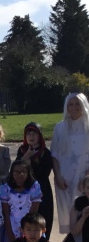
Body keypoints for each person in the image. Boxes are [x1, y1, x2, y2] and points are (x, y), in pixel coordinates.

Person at [51, 93, 89, 233]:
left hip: (84, 178)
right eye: (70, 104)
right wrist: (58, 176)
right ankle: (71, 241)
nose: (74, 107)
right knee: (68, 214)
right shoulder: (60, 128)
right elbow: (54, 154)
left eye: (77, 104)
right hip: (65, 178)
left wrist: (86, 179)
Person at [16, 123, 54, 239]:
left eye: (34, 133)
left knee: (42, 217)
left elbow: (44, 173)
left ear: (40, 136)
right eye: (28, 134)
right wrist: (25, 157)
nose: (31, 136)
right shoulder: (22, 150)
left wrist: (31, 163)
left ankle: (43, 241)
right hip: (24, 189)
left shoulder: (45, 152)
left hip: (42, 189)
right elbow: (16, 169)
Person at [0, 159, 42, 242]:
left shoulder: (34, 187)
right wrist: (10, 234)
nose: (20, 174)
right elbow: (6, 213)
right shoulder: (6, 188)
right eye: (16, 172)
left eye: (23, 172)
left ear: (28, 173)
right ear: (11, 173)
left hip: (30, 224)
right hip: (11, 224)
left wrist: (27, 231)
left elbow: (33, 213)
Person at [58, 175, 89, 242]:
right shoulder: (77, 205)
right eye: (88, 188)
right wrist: (83, 217)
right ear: (83, 188)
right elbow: (74, 232)